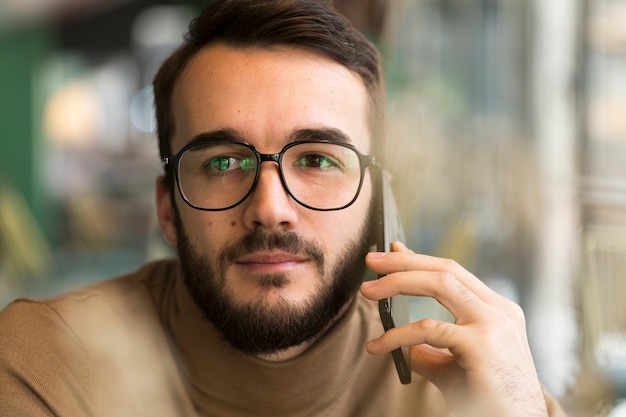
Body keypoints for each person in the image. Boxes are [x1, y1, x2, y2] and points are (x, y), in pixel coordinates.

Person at [0, 1, 567, 416]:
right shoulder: (45, 364)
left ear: (379, 202)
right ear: (167, 209)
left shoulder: (474, 386)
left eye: (319, 160)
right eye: (222, 163)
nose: (270, 209)